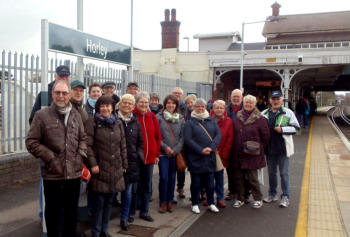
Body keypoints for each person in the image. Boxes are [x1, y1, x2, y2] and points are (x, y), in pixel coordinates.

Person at [26, 79, 87, 237]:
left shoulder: (76, 115)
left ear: (69, 95)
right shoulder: (41, 115)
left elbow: (83, 138)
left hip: (74, 174)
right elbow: (31, 142)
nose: (61, 96)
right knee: (52, 215)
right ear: (52, 94)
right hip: (53, 175)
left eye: (64, 93)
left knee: (71, 214)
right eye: (58, 92)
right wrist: (51, 159)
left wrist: (80, 156)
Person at [85, 95, 127, 237]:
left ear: (112, 107)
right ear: (98, 108)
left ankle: (104, 230)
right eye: (102, 106)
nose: (105, 108)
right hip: (100, 169)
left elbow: (123, 145)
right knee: (99, 204)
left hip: (115, 169)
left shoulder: (118, 123)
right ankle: (96, 232)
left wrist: (124, 164)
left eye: (108, 106)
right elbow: (88, 146)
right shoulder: (92, 122)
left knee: (109, 202)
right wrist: (93, 164)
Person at [262, 91, 300, 208]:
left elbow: (296, 128)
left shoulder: (288, 113)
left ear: (282, 100)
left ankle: (285, 196)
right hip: (269, 149)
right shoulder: (264, 113)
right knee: (271, 173)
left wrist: (283, 129)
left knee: (284, 174)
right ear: (270, 101)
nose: (275, 101)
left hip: (283, 149)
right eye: (273, 99)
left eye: (278, 98)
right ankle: (272, 194)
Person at [232, 95, 270, 209]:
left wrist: (259, 147)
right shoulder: (237, 116)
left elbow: (266, 136)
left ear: (254, 104)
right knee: (238, 177)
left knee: (252, 178)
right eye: (246, 102)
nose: (248, 104)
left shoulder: (260, 118)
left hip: (252, 154)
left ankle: (258, 198)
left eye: (250, 103)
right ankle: (240, 198)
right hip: (239, 152)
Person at [184, 98, 221, 214]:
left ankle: (211, 203)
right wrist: (200, 150)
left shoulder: (211, 120)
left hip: (209, 156)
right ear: (194, 108)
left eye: (202, 106)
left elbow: (218, 135)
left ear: (205, 108)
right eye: (198, 106)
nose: (200, 108)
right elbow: (188, 139)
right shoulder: (190, 122)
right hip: (195, 157)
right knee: (196, 183)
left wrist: (211, 147)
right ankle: (194, 203)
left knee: (210, 183)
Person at [130, 91, 162, 222]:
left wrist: (157, 154)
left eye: (145, 102)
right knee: (134, 186)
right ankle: (132, 212)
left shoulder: (152, 117)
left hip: (150, 157)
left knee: (147, 185)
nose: (143, 104)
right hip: (136, 158)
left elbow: (157, 137)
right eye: (141, 102)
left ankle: (145, 211)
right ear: (136, 103)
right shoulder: (132, 117)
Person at [117, 94, 144, 231]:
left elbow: (140, 142)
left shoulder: (135, 121)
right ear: (120, 104)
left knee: (127, 192)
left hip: (132, 162)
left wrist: (138, 156)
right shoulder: (114, 120)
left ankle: (124, 218)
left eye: (130, 104)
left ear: (133, 107)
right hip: (115, 162)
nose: (127, 105)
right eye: (125, 103)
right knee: (112, 193)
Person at [157, 95, 185, 213]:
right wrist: (165, 147)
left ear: (176, 105)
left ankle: (169, 200)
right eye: (168, 103)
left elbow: (183, 137)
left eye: (173, 103)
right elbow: (157, 136)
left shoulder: (181, 118)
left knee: (172, 178)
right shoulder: (159, 117)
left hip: (175, 153)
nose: (171, 105)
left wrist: (176, 149)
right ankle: (163, 201)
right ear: (165, 104)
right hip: (163, 153)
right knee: (164, 177)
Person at [210, 100, 234, 208]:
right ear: (213, 109)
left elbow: (229, 139)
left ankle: (220, 198)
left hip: (221, 154)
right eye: (217, 108)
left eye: (221, 108)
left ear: (224, 109)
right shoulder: (208, 120)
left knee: (219, 177)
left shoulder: (228, 121)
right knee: (209, 178)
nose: (219, 110)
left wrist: (223, 154)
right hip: (209, 153)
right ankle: (209, 198)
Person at [225, 89, 243, 201]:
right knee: (230, 169)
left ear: (242, 98)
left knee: (242, 170)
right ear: (230, 97)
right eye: (234, 96)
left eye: (238, 96)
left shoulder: (246, 108)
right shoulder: (226, 109)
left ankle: (243, 192)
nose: (236, 98)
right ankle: (232, 191)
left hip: (241, 144)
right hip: (228, 143)